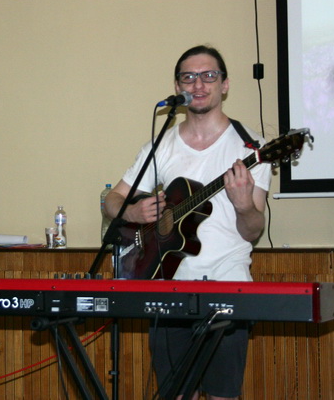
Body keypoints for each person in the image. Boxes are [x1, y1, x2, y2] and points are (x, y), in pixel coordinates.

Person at [102, 44, 272, 400]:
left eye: (209, 75)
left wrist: (244, 206)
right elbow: (111, 200)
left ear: (225, 84)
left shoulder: (251, 149)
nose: (198, 84)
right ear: (177, 86)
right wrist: (131, 212)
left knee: (222, 395)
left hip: (227, 286)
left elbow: (253, 231)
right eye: (188, 77)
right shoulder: (161, 145)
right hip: (168, 287)